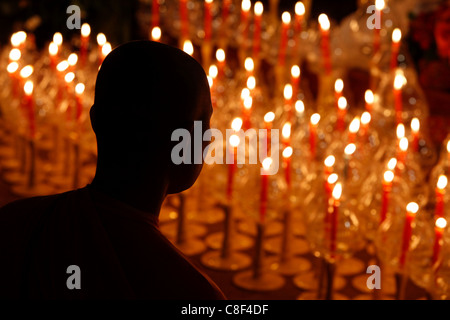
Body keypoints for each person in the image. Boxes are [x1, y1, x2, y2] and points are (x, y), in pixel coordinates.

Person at [0, 40, 225, 299]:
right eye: (204, 123)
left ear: (96, 121)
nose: (210, 138)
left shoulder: (16, 223)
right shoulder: (190, 292)